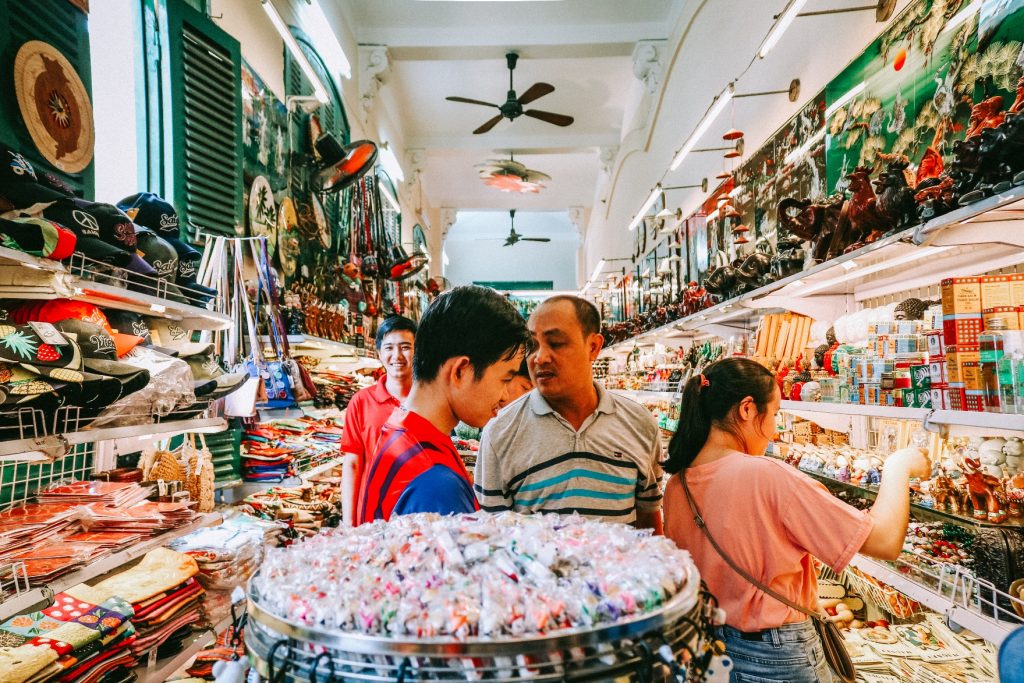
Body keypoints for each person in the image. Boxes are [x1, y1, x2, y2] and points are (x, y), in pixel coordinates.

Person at [662, 357, 931, 683]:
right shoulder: (765, 475)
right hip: (774, 654)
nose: (775, 429)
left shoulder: (679, 485)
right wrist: (898, 466)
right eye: (774, 414)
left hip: (709, 648)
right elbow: (885, 541)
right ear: (747, 409)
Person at [475, 295, 664, 530]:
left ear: (593, 347)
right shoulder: (500, 432)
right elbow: (492, 536)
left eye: (556, 343)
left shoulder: (639, 424)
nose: (539, 357)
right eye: (532, 346)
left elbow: (649, 525)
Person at [356, 286, 531, 524]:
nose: (505, 395)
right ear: (460, 371)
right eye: (505, 379)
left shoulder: (402, 428)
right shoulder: (435, 482)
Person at [339, 315, 416, 525]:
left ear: (418, 351)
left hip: (419, 510)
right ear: (380, 353)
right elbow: (353, 465)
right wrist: (348, 525)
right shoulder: (361, 402)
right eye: (389, 348)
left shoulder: (429, 400)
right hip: (373, 514)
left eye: (406, 347)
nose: (397, 355)